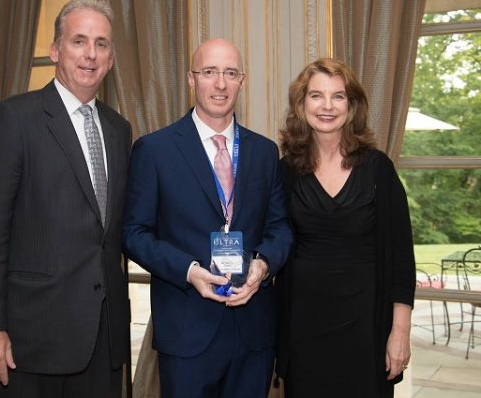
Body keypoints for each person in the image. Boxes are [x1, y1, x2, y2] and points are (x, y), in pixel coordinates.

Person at [0, 0, 132, 398]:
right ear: (55, 50)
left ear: (111, 59)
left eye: (101, 44)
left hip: (102, 340)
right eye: (79, 41)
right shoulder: (13, 119)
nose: (90, 54)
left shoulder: (118, 129)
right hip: (28, 343)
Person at [123, 38, 293, 397]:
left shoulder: (264, 152)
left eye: (230, 73)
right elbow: (134, 233)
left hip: (253, 331)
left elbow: (280, 227)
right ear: (191, 79)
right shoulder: (155, 150)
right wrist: (188, 271)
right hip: (186, 329)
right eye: (209, 72)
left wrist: (263, 266)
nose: (220, 84)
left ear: (242, 82)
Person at [275, 58, 415, 397]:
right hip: (303, 328)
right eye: (316, 95)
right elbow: (272, 239)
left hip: (367, 326)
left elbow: (401, 258)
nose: (327, 106)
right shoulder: (285, 171)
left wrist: (400, 332)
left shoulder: (378, 169)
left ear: (351, 106)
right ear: (301, 104)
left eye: (337, 96)